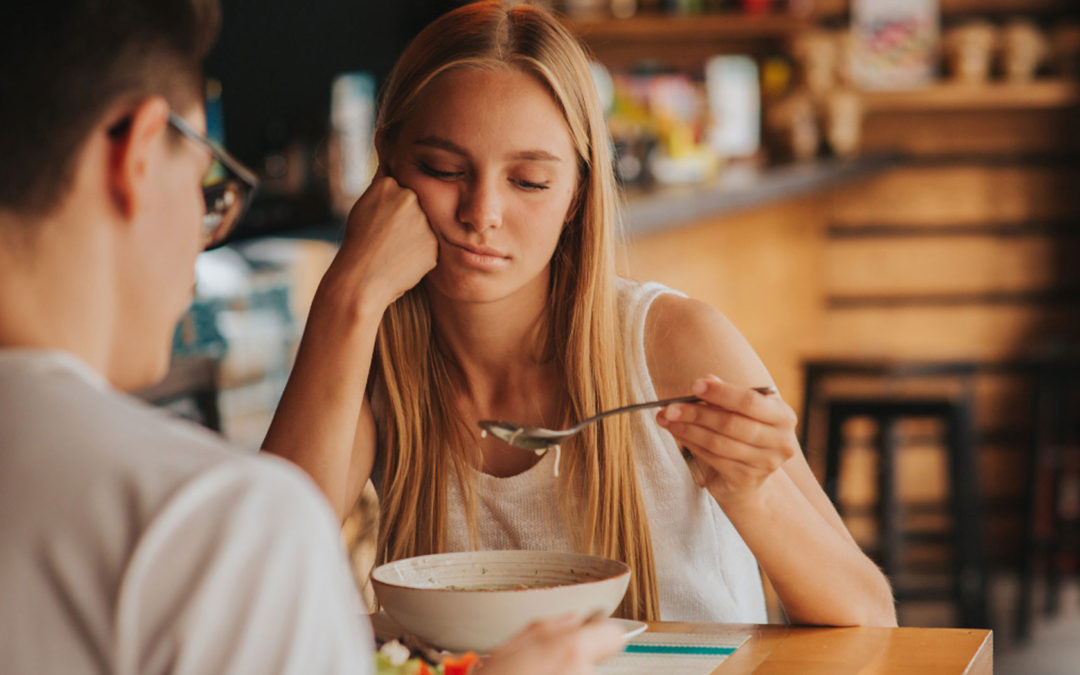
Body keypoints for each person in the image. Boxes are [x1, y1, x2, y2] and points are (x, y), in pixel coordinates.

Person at [0, 1, 624, 673]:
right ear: (139, 153)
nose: (481, 215)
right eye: (208, 177)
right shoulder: (205, 522)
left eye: (529, 179)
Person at [265, 0, 897, 627]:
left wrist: (753, 491)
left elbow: (870, 620)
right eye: (444, 169)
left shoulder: (672, 345)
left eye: (530, 181)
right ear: (388, 166)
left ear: (575, 194)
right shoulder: (373, 365)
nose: (482, 212)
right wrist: (346, 294)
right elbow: (260, 576)